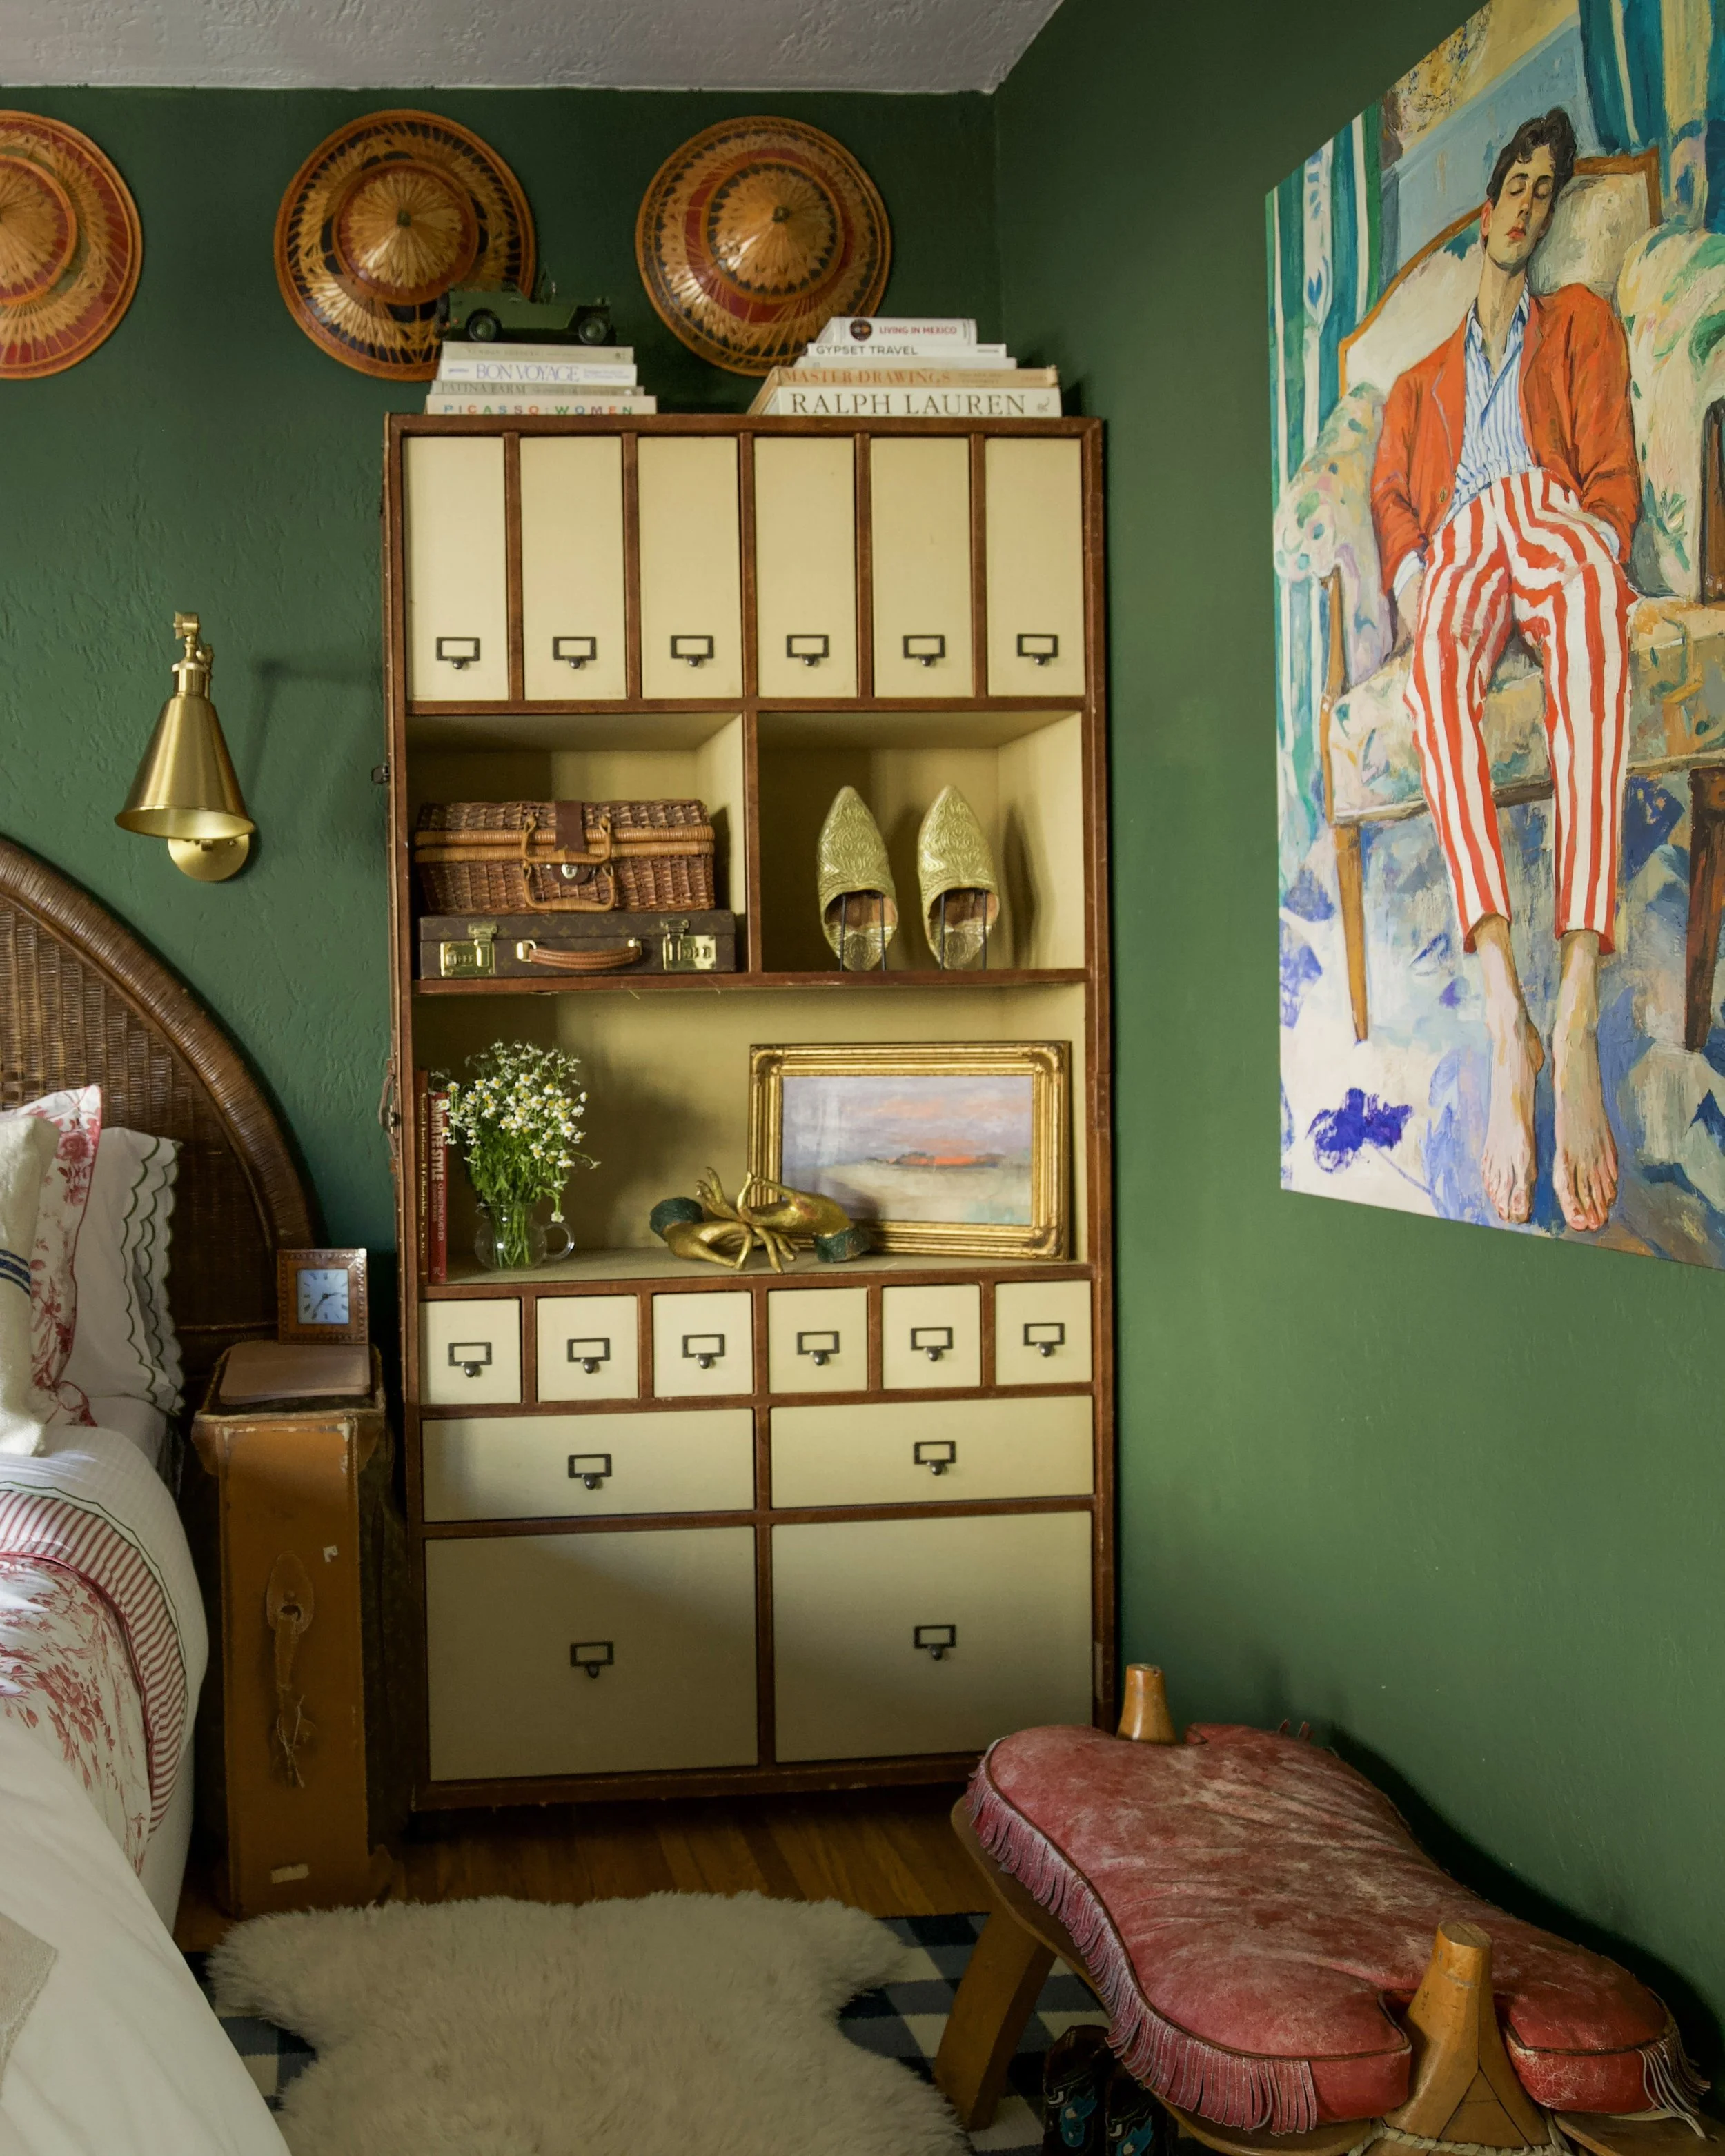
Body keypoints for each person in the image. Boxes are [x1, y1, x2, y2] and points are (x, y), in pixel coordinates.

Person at [1370, 108, 1639, 1234]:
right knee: (1433, 672)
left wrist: (1598, 542)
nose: (1528, 203)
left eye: (1545, 190)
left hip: (1551, 509)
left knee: (1588, 610)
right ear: (1488, 205)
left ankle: (1572, 1006)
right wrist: (1410, 569)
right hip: (1462, 538)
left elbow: (1611, 468)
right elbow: (1391, 494)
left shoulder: (1576, 320)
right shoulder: (1420, 383)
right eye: (1516, 185)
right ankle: (1504, 1016)